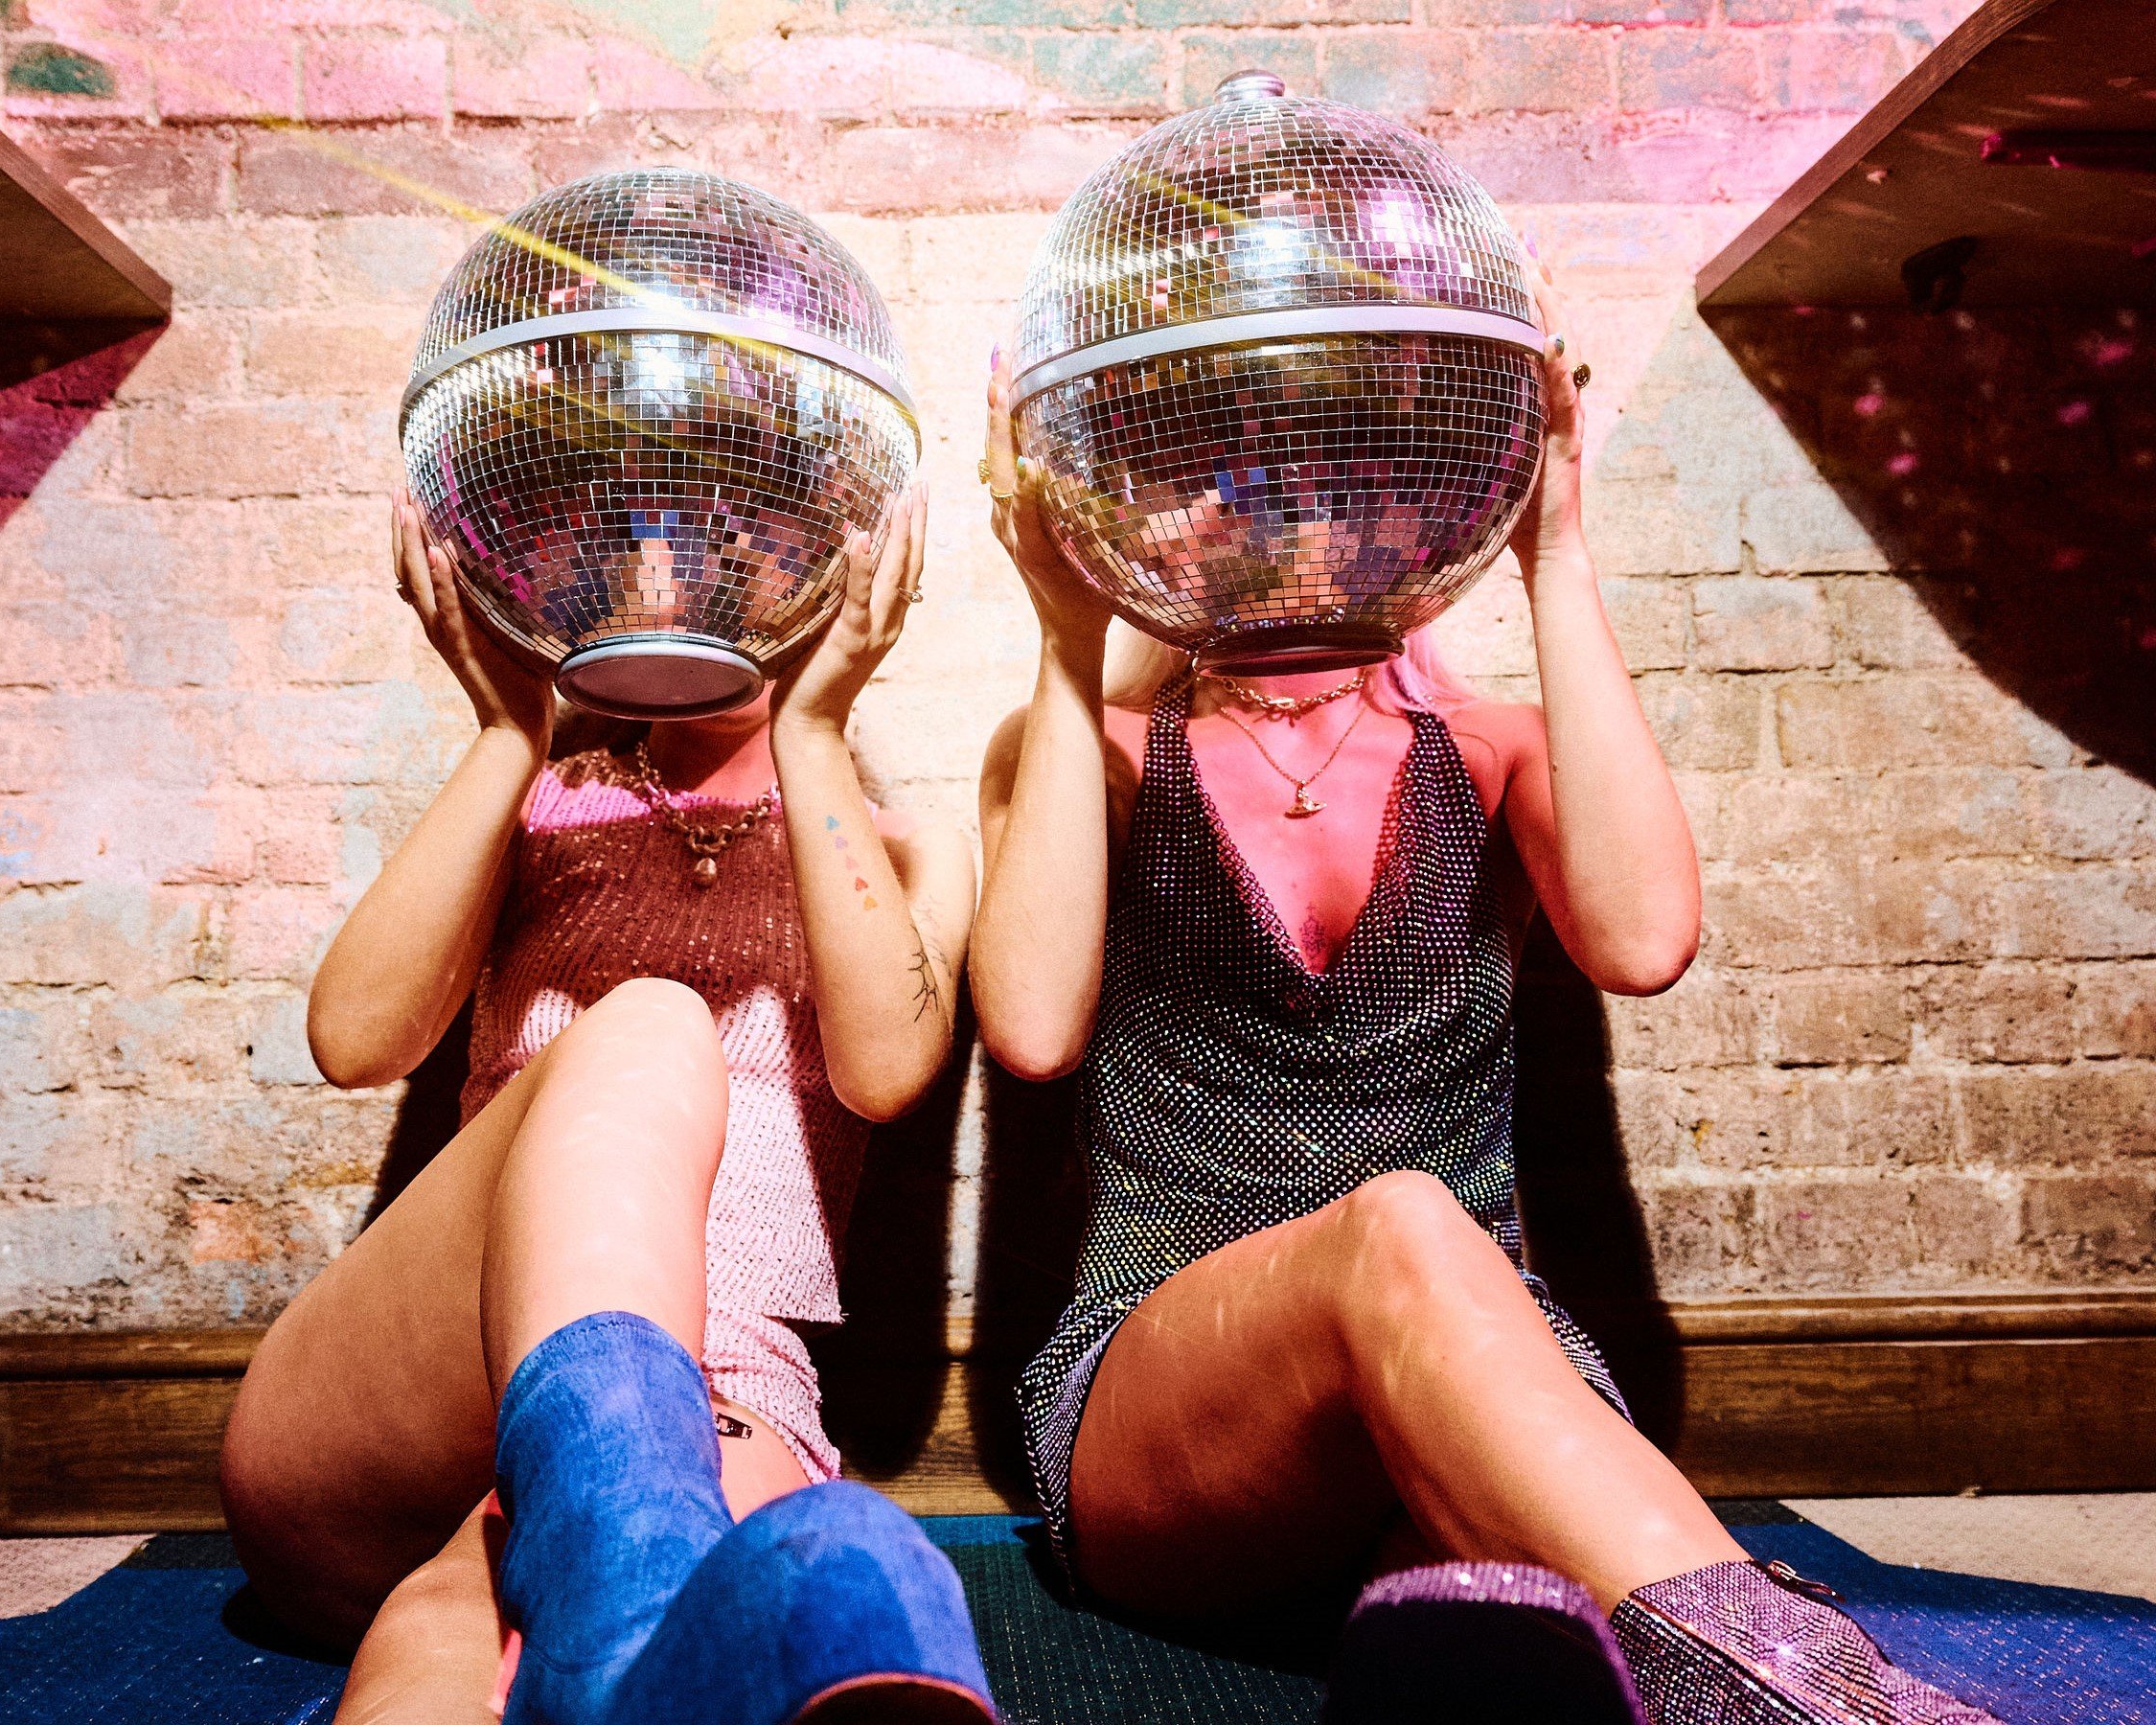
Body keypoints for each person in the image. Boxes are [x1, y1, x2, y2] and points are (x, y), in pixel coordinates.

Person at [970, 258, 1997, 1723]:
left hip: (1474, 1373)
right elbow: (1029, 1023)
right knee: (1396, 1225)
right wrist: (1070, 634)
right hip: (1167, 1407)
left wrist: (1558, 553)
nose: (1290, 509)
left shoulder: (1491, 745)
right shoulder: (1094, 748)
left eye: (1337, 470)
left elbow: (1642, 944)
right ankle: (1825, 1697)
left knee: (1514, 1615)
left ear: (1419, 491)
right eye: (1239, 468)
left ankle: (1683, 1669)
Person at [219, 487, 994, 1725]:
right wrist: (505, 735)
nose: (680, 571)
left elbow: (890, 1068)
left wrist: (812, 729)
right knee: (648, 1027)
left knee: (857, 1580)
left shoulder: (905, 851)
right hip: (410, 1413)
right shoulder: (542, 802)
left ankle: (608, 1610)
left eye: (739, 533)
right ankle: (625, 1586)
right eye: (650, 535)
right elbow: (354, 1037)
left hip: (720, 1392)